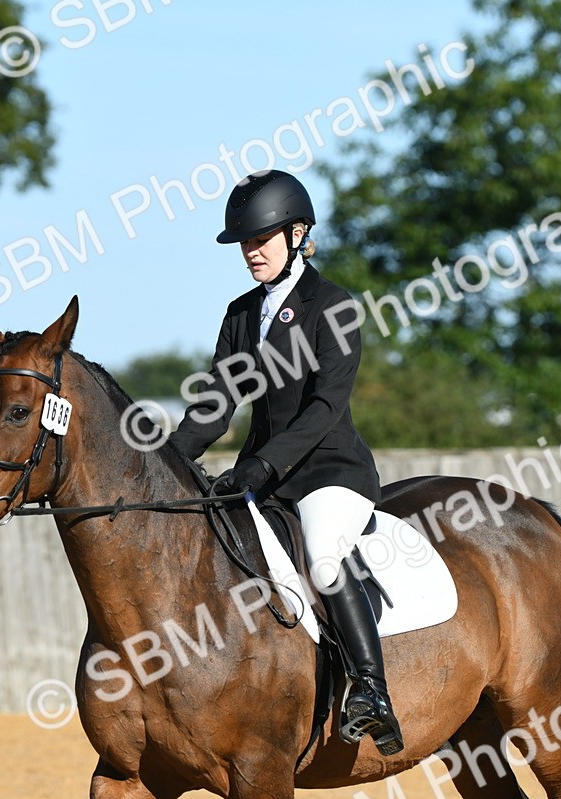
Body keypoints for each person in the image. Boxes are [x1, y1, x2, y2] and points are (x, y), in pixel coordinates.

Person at [166, 169, 404, 756]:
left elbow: (326, 407)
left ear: (297, 235)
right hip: (263, 477)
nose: (251, 252)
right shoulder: (241, 314)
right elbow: (216, 404)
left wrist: (264, 465)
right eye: (244, 243)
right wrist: (164, 461)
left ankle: (371, 691)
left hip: (329, 472)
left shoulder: (334, 306)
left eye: (261, 240)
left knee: (322, 557)